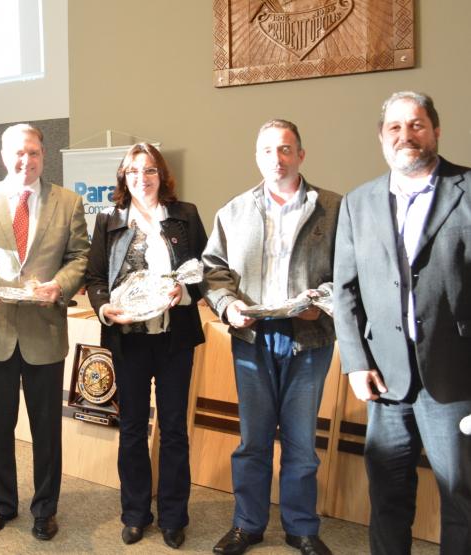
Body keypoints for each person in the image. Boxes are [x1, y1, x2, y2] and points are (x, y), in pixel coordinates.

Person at [333, 91, 471, 554]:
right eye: (394, 127)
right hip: (386, 380)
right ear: (381, 136)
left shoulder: (467, 189)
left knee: (462, 497)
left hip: (455, 378)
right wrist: (356, 363)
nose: (405, 135)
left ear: (435, 130)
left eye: (416, 125)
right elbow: (344, 290)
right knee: (387, 498)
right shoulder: (358, 203)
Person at [202, 120, 340, 555]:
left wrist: (323, 302)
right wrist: (228, 306)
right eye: (267, 150)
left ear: (301, 154)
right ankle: (247, 525)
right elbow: (213, 270)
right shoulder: (233, 211)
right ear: (257, 157)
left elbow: (350, 272)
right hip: (252, 338)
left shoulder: (334, 208)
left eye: (285, 149)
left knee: (301, 442)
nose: (276, 159)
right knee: (253, 441)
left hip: (309, 337)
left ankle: (302, 528)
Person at [0, 123, 89, 541]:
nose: (25, 161)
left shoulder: (69, 201)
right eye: (17, 153)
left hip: (44, 331)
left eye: (33, 153)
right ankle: (1, 504)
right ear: (3, 155)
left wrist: (59, 286)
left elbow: (80, 257)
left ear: (43, 155)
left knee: (46, 430)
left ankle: (45, 509)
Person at [85, 143, 207, 547]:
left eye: (150, 169)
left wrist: (184, 293)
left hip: (175, 339)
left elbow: (205, 270)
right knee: (133, 429)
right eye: (133, 171)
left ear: (162, 174)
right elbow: (95, 278)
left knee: (173, 429)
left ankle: (173, 517)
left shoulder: (185, 215)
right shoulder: (109, 219)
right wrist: (105, 309)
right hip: (129, 341)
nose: (142, 178)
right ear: (123, 177)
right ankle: (135, 513)